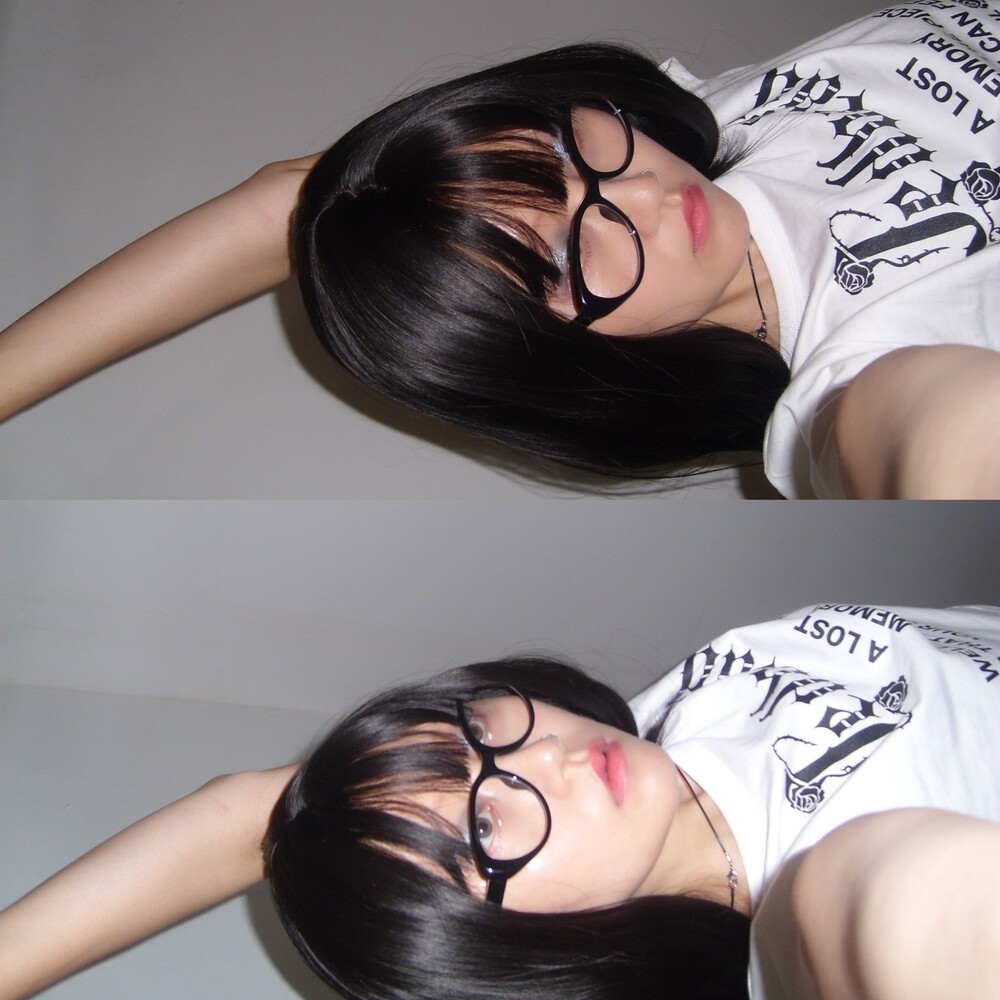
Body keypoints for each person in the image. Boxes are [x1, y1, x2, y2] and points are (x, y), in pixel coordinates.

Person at [2, 11, 999, 497]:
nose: (640, 197)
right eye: (564, 258)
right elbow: (937, 439)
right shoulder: (859, 374)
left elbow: (290, 205)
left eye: (565, 154)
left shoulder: (712, 121)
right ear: (574, 362)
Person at [3, 601, 1000, 1000]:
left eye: (476, 730)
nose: (540, 756)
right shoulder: (809, 926)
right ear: (498, 954)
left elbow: (248, 813)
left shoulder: (678, 713)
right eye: (483, 825)